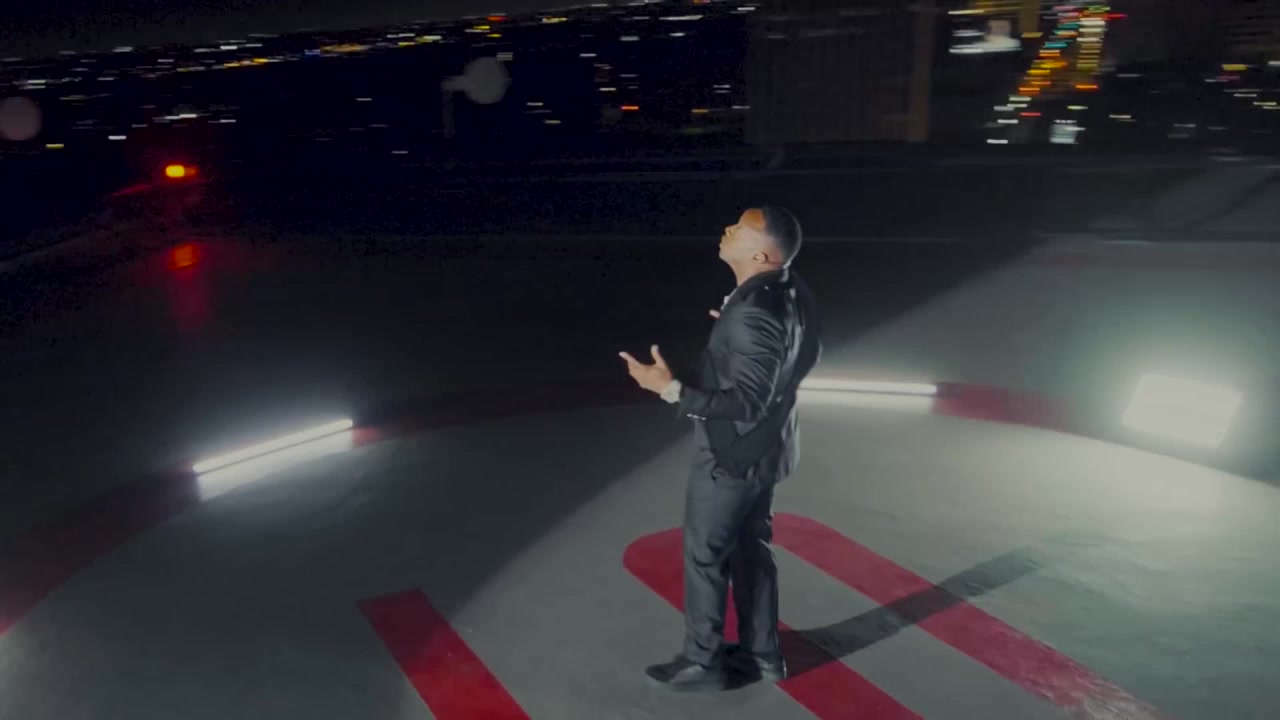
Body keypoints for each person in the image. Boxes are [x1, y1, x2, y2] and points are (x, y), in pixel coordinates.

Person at [619, 206, 822, 692]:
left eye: (740, 229)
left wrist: (670, 389)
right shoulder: (789, 288)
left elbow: (747, 401)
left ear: (761, 254)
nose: (727, 229)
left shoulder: (754, 312)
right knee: (752, 549)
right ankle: (763, 655)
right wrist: (738, 336)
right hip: (770, 447)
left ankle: (702, 662)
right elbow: (808, 348)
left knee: (705, 556)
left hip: (733, 455)